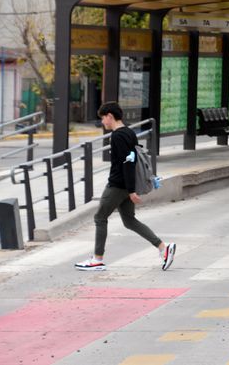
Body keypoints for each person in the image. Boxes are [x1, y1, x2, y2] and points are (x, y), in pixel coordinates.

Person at [74, 102, 175, 271]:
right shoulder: (129, 133)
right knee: (129, 221)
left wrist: (131, 191)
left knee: (100, 218)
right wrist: (132, 188)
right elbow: (132, 160)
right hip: (127, 185)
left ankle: (97, 259)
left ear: (110, 116)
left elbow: (127, 164)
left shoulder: (118, 136)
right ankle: (163, 248)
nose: (103, 123)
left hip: (117, 185)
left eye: (103, 119)